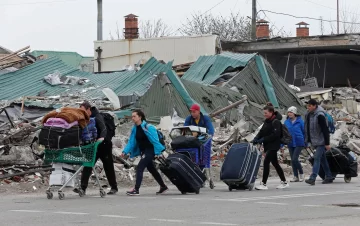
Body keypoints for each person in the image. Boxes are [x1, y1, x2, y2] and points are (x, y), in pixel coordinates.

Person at [122, 109, 168, 196]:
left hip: (150, 150)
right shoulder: (135, 129)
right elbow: (131, 142)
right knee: (152, 169)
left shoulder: (149, 127)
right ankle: (163, 186)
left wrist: (158, 153)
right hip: (143, 151)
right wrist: (125, 151)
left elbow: (155, 141)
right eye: (132, 116)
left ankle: (136, 189)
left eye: (134, 116)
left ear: (140, 117)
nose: (132, 118)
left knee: (140, 168)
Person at [75, 101, 118, 195]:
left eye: (83, 111)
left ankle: (114, 187)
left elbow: (103, 128)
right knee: (87, 165)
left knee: (108, 166)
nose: (82, 113)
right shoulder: (85, 118)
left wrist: (101, 138)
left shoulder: (97, 116)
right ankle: (83, 188)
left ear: (88, 109)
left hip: (104, 144)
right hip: (92, 145)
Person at [253, 103, 289, 190]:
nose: (264, 114)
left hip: (274, 145)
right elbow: (262, 131)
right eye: (264, 113)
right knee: (275, 163)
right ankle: (284, 182)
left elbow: (275, 135)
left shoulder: (276, 122)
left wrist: (264, 139)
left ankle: (264, 183)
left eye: (266, 113)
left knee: (266, 162)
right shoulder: (267, 121)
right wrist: (256, 138)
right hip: (268, 145)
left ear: (271, 112)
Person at [304, 99, 333, 185]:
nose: (308, 107)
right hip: (314, 141)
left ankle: (312, 178)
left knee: (316, 158)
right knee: (323, 159)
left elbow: (325, 130)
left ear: (314, 106)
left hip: (321, 141)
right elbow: (307, 128)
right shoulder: (309, 115)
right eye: (307, 106)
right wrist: (307, 140)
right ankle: (329, 176)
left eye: (309, 106)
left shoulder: (320, 115)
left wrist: (327, 143)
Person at [284, 106, 305, 182]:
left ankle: (301, 174)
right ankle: (295, 176)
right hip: (290, 142)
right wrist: (282, 144)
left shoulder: (300, 121)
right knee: (293, 160)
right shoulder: (286, 122)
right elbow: (285, 133)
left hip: (299, 142)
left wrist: (306, 142)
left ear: (295, 113)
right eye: (288, 112)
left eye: (291, 112)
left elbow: (304, 131)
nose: (289, 114)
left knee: (294, 158)